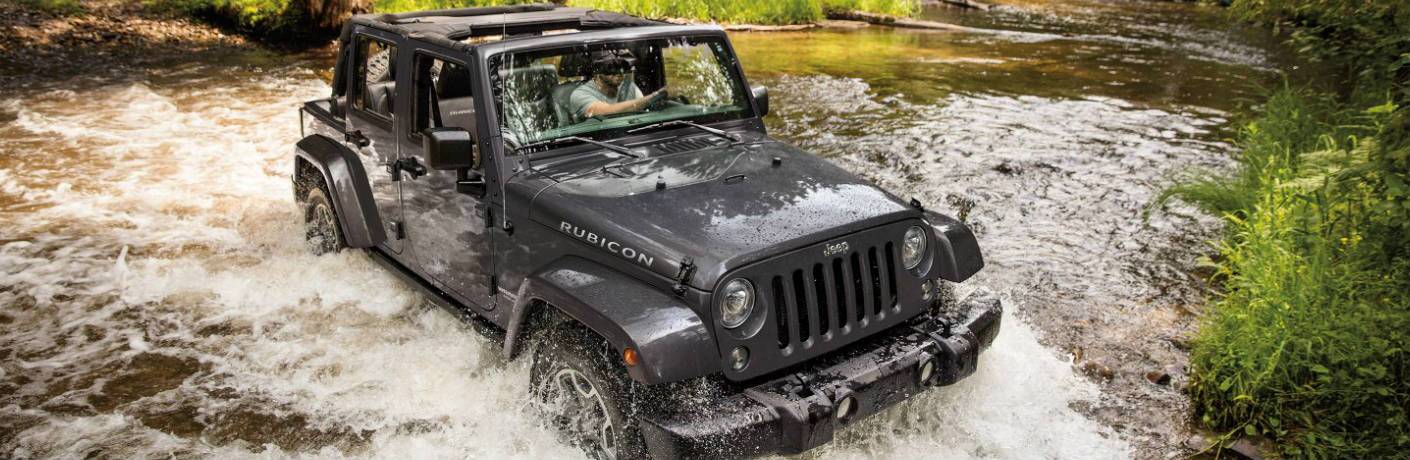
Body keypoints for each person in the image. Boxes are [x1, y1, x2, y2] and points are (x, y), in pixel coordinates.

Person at [569, 53, 667, 123]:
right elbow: (604, 111)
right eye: (610, 67)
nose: (620, 72)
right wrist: (654, 96)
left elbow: (643, 108)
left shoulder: (628, 87)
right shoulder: (580, 94)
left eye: (622, 67)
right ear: (597, 72)